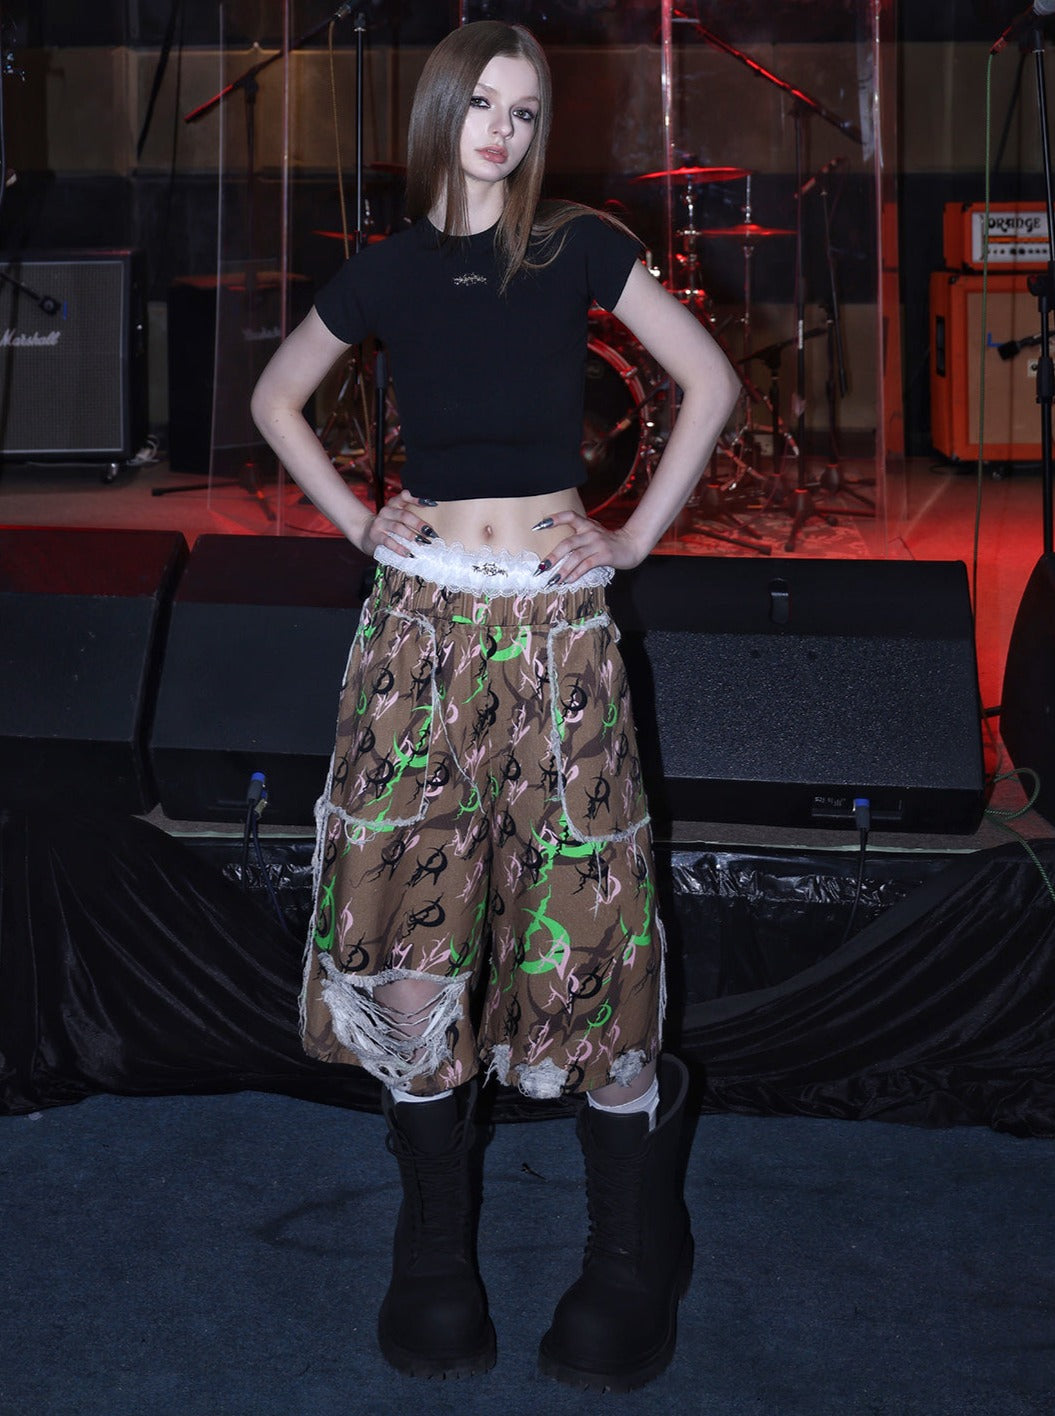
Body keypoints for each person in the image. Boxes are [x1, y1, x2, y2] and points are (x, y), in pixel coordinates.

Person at [252, 19, 739, 1394]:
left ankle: (633, 1253)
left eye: (525, 112)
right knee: (408, 949)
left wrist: (632, 536)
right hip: (417, 631)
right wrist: (358, 519)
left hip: (557, 632)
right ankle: (433, 1252)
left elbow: (710, 380)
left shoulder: (579, 245)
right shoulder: (393, 266)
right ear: (438, 113)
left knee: (587, 940)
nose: (504, 132)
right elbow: (278, 397)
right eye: (482, 104)